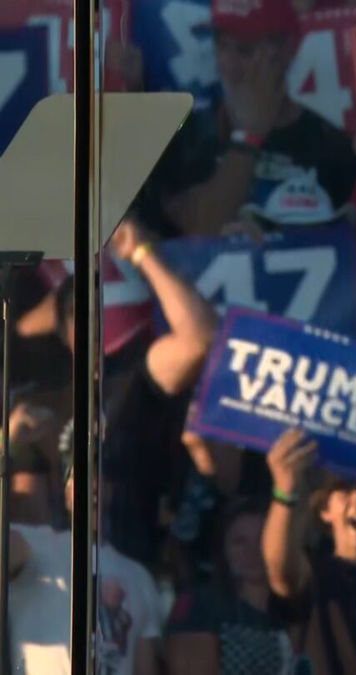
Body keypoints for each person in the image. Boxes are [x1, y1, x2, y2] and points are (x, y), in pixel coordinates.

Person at [53, 220, 218, 566]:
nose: (91, 322)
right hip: (62, 582)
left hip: (140, 570)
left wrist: (143, 254)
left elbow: (200, 339)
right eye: (76, 313)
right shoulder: (45, 406)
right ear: (63, 331)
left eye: (102, 308)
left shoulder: (135, 377)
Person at [149, 0, 356, 237]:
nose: (228, 65)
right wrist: (249, 136)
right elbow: (199, 231)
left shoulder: (333, 147)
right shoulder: (188, 133)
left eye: (244, 50)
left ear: (287, 50)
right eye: (220, 45)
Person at [9, 451, 163, 675]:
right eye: (78, 476)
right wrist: (11, 437)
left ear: (111, 489)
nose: (91, 483)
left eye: (99, 475)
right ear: (64, 491)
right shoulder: (34, 544)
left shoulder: (138, 576)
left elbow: (145, 667)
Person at [263, 429, 356, 675]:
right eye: (344, 489)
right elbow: (281, 573)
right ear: (325, 509)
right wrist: (285, 488)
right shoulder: (316, 576)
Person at [165, 497, 303, 675]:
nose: (252, 551)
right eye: (240, 542)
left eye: (262, 539)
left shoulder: (299, 609)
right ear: (223, 550)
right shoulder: (200, 605)